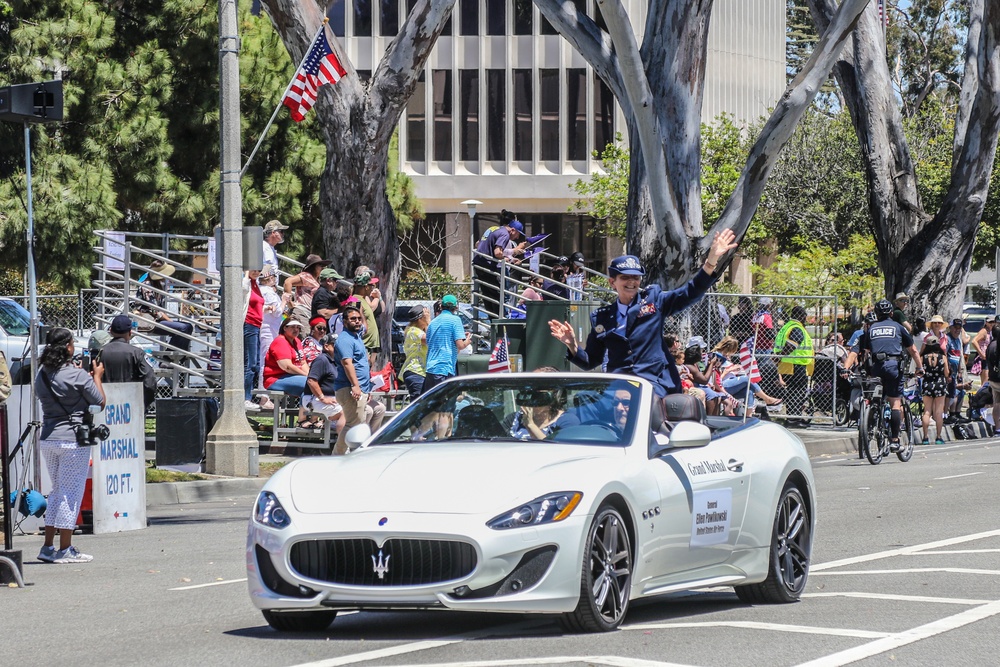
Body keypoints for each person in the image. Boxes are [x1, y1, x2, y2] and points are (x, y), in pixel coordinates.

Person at [549, 229, 738, 397]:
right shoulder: (602, 317)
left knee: (642, 405)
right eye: (625, 277)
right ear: (612, 282)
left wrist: (711, 261)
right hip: (619, 385)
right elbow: (590, 361)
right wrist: (573, 345)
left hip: (653, 384)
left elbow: (690, 292)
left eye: (636, 277)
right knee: (584, 402)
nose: (631, 282)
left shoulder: (654, 301)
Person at [34, 328, 105, 564]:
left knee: (56, 491)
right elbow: (99, 402)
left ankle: (47, 547)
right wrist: (96, 376)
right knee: (70, 494)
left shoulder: (41, 374)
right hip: (73, 440)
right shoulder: (77, 375)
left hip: (49, 438)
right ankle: (65, 548)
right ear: (67, 348)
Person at [845, 299, 924, 451]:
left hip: (876, 368)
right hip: (894, 367)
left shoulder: (871, 329)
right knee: (895, 403)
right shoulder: (898, 327)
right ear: (892, 313)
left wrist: (847, 368)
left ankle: (874, 414)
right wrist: (920, 367)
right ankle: (894, 440)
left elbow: (862, 351)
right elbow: (913, 350)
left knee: (877, 396)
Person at [333, 305, 386, 455]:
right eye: (352, 319)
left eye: (359, 319)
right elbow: (347, 363)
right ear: (344, 322)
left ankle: (358, 451)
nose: (357, 321)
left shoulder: (356, 336)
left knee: (367, 416)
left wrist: (365, 388)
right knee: (352, 426)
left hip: (361, 388)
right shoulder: (345, 339)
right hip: (348, 388)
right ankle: (337, 456)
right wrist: (355, 386)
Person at [424, 294, 474, 438]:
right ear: (456, 307)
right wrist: (468, 340)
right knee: (445, 409)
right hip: (445, 368)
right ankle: (441, 440)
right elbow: (460, 345)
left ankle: (432, 436)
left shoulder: (433, 322)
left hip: (431, 369)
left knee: (435, 407)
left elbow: (430, 342)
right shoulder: (455, 320)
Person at [100, 314, 157, 411]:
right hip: (131, 405)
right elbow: (150, 380)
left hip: (106, 406)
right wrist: (143, 402)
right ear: (130, 332)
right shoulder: (136, 353)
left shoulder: (100, 352)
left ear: (111, 331)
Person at [136, 259, 195, 352]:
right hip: (150, 321)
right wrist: (170, 321)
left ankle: (176, 355)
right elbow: (155, 311)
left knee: (188, 326)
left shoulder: (157, 285)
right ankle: (170, 356)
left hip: (157, 320)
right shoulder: (147, 286)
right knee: (183, 327)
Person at [262, 318, 311, 428]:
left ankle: (312, 419)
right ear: (285, 328)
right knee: (309, 383)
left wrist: (311, 376)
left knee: (315, 383)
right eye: (293, 327)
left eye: (298, 327)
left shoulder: (297, 341)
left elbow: (303, 363)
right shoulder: (280, 341)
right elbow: (287, 367)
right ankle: (302, 420)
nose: (296, 329)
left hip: (292, 377)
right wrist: (307, 377)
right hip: (275, 379)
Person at [473, 214, 524, 318]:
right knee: (500, 295)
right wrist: (508, 258)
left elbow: (478, 244)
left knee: (488, 296)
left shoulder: (494, 228)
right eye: (518, 234)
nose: (517, 237)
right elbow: (497, 252)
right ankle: (500, 323)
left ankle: (493, 323)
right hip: (488, 265)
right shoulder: (505, 234)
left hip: (479, 264)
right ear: (513, 230)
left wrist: (508, 257)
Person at [713, 336, 783, 410]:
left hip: (731, 382)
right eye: (733, 350)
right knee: (747, 379)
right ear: (728, 348)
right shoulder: (716, 356)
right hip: (721, 385)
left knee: (749, 390)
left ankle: (749, 415)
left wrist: (736, 369)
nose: (733, 353)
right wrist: (728, 370)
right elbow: (715, 378)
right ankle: (767, 399)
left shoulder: (725, 357)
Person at [773, 305, 814, 428]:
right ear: (802, 316)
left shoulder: (786, 326)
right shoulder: (797, 328)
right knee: (797, 392)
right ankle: (794, 420)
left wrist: (779, 356)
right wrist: (780, 355)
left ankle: (791, 419)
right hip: (796, 365)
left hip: (788, 365)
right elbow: (792, 345)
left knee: (792, 392)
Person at [303, 333, 346, 436]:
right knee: (347, 412)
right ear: (326, 346)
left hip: (333, 398)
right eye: (336, 345)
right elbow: (311, 381)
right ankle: (342, 446)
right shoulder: (322, 360)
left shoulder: (338, 361)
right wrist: (323, 398)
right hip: (314, 399)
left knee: (362, 409)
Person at [256, 266, 282, 408]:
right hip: (268, 329)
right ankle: (264, 396)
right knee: (265, 360)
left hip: (266, 328)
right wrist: (284, 300)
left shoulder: (260, 290)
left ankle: (265, 395)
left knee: (264, 360)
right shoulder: (268, 292)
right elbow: (277, 313)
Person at [282, 254, 330, 327]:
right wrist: (289, 303)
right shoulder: (306, 276)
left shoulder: (314, 279)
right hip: (302, 313)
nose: (322, 268)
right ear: (313, 266)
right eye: (320, 265)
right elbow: (288, 282)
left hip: (308, 315)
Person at [920, 334, 950, 445]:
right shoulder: (943, 357)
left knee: (927, 411)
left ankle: (925, 437)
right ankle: (938, 437)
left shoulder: (923, 357)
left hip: (927, 384)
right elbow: (946, 373)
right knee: (938, 412)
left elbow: (919, 372)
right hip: (940, 384)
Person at [243, 268, 264, 412]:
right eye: (254, 270)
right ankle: (245, 398)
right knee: (249, 364)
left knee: (255, 363)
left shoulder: (255, 284)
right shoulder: (246, 282)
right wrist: (245, 272)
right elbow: (242, 289)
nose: (256, 272)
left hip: (256, 325)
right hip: (248, 325)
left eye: (259, 270)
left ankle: (248, 396)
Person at [398, 304, 430, 400]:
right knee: (418, 403)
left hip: (422, 372)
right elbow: (429, 339)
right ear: (420, 319)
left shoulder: (418, 331)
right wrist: (429, 322)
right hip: (416, 372)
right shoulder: (413, 331)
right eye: (426, 316)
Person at [944, 318, 970, 424]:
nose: (957, 330)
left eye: (959, 328)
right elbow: (945, 355)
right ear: (950, 328)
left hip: (956, 371)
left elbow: (959, 356)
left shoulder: (958, 340)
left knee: (960, 391)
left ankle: (957, 413)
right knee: (951, 393)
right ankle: (950, 414)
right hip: (949, 371)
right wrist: (947, 370)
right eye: (955, 328)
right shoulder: (947, 339)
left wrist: (960, 371)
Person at [353, 272, 381, 363]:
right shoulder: (355, 300)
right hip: (364, 346)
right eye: (372, 286)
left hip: (370, 346)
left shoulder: (363, 299)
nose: (373, 289)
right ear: (366, 287)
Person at [970, 315, 995, 385]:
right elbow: (974, 341)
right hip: (984, 359)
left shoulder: (990, 332)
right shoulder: (984, 331)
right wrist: (981, 354)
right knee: (985, 383)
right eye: (990, 322)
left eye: (993, 322)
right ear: (986, 323)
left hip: (989, 358)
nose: (992, 324)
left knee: (989, 382)